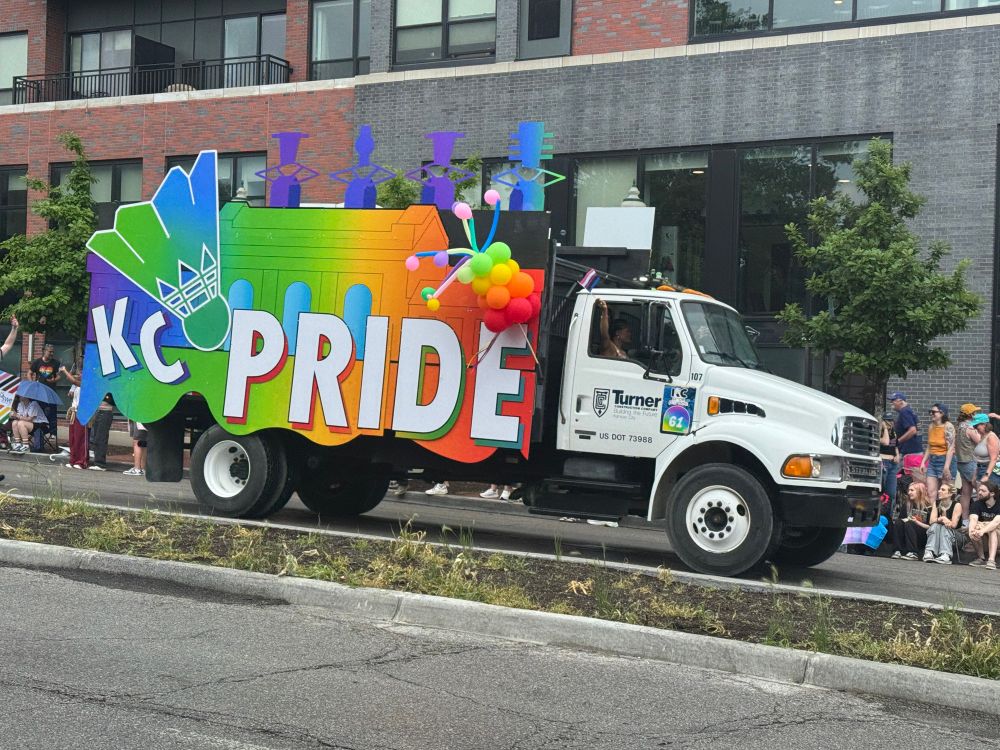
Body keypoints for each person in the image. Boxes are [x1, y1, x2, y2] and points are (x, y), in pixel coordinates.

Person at [920, 402, 955, 500]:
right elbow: (929, 446)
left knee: (946, 493)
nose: (931, 414)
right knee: (931, 493)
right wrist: (923, 462)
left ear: (942, 413)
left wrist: (947, 467)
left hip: (945, 460)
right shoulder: (931, 426)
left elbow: (951, 448)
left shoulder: (948, 426)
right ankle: (933, 514)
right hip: (933, 461)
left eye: (933, 412)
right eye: (930, 412)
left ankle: (945, 514)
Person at [923, 482, 963, 564]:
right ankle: (929, 552)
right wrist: (942, 518)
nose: (939, 491)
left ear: (950, 494)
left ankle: (946, 554)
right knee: (935, 526)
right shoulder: (936, 503)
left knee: (945, 527)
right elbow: (931, 521)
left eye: (943, 490)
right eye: (940, 489)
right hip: (939, 533)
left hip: (956, 536)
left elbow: (953, 525)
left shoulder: (957, 505)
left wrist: (945, 519)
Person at [890, 481, 931, 560]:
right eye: (909, 490)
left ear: (920, 491)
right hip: (907, 534)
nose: (909, 493)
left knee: (910, 523)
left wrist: (916, 522)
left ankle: (913, 552)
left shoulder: (929, 507)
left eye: (912, 490)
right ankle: (897, 550)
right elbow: (901, 519)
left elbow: (931, 526)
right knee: (898, 522)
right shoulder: (907, 505)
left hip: (922, 536)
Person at [955, 403, 981, 522]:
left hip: (961, 462)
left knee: (966, 492)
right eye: (975, 412)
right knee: (982, 490)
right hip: (971, 462)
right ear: (971, 414)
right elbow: (981, 442)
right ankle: (979, 518)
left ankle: (965, 520)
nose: (976, 414)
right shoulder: (970, 428)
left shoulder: (959, 426)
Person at [60, 361, 88, 469]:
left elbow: (72, 380)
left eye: (81, 373)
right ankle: (73, 460)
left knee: (81, 438)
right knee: (73, 438)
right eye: (78, 373)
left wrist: (64, 370)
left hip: (82, 413)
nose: (79, 375)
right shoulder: (76, 386)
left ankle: (81, 461)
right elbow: (72, 382)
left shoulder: (86, 383)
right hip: (74, 412)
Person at [890, 392, 923, 473]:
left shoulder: (904, 412)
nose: (891, 402)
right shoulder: (909, 411)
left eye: (893, 400)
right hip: (914, 451)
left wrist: (898, 441)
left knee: (892, 473)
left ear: (901, 401)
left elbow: (912, 430)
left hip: (908, 453)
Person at [969, 483, 1000, 569]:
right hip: (984, 537)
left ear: (992, 493)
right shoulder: (977, 504)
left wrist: (982, 530)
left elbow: (996, 522)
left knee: (992, 529)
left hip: (998, 535)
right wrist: (972, 531)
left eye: (983, 491)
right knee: (974, 528)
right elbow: (973, 519)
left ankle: (991, 560)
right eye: (979, 490)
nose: (979, 492)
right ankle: (981, 558)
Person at [970, 413, 999, 488]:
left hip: (990, 471)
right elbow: (979, 459)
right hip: (980, 469)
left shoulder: (991, 437)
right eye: (974, 426)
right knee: (981, 496)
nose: (975, 428)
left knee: (990, 496)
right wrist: (975, 475)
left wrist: (986, 475)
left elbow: (993, 459)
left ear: (984, 424)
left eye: (976, 426)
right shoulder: (983, 436)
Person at [879, 411, 899, 515]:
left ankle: (889, 516)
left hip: (893, 463)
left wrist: (897, 455)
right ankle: (880, 515)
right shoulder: (880, 432)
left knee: (891, 493)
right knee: (883, 491)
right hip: (883, 462)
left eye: (892, 420)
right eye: (888, 421)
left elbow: (895, 445)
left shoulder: (894, 432)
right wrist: (884, 428)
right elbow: (886, 442)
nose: (890, 423)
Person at [88, 393, 115, 471]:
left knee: (101, 438)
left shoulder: (109, 388)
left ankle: (100, 463)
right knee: (96, 438)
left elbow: (111, 400)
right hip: (99, 411)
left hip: (106, 412)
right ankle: (97, 461)